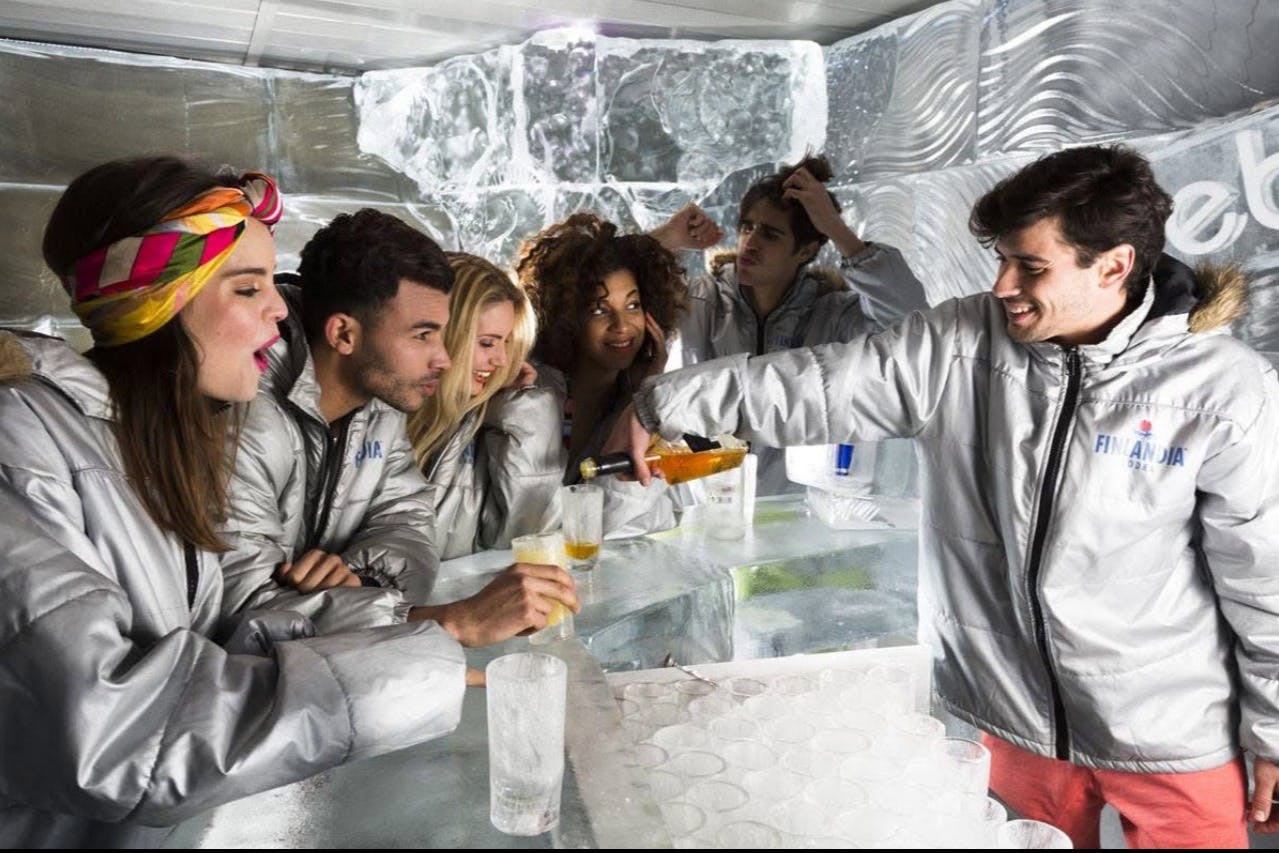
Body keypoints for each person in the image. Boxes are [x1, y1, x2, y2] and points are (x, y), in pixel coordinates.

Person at [607, 144, 1279, 848]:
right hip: (1014, 718)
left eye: (1030, 265)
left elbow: (1263, 574)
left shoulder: (1221, 389)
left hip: (1171, 731)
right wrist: (662, 402)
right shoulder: (959, 341)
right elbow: (817, 383)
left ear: (1111, 265)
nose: (1001, 285)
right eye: (1001, 259)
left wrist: (1272, 729)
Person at [0, 156, 469, 848]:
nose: (281, 309)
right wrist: (409, 674)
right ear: (154, 303)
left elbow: (219, 634)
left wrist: (413, 624)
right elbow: (109, 736)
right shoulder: (21, 445)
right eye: (248, 288)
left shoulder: (152, 447)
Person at [219, 210, 578, 647]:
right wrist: (447, 623)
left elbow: (410, 522)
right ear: (343, 335)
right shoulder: (246, 408)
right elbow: (241, 605)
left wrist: (362, 578)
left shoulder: (380, 402)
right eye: (422, 335)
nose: (443, 358)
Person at [651, 154, 931, 494]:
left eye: (769, 234)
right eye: (747, 227)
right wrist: (664, 239)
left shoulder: (834, 316)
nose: (750, 242)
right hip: (705, 512)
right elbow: (606, 293)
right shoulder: (699, 302)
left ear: (805, 251)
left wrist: (837, 230)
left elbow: (915, 324)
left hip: (795, 522)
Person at [515, 212, 688, 536]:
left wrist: (650, 387)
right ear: (567, 316)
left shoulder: (646, 405)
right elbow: (532, 524)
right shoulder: (530, 393)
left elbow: (664, 518)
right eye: (599, 309)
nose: (622, 326)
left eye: (633, 306)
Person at [407, 251, 562, 559]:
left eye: (506, 343)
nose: (502, 360)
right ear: (447, 333)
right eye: (488, 343)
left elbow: (519, 541)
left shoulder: (479, 428)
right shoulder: (374, 418)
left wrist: (525, 410)